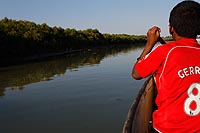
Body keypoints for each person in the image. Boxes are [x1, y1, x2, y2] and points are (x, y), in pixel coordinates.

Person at [132, 1, 200, 133]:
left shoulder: (164, 51)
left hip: (167, 129)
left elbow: (136, 73)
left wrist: (149, 44)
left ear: (171, 28)